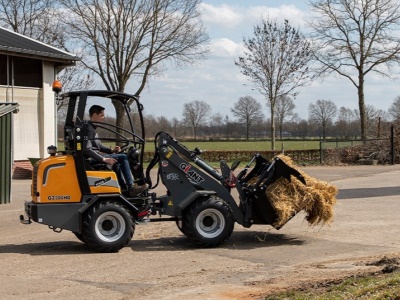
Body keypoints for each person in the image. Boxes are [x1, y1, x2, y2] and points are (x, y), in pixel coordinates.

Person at [84, 105, 148, 197]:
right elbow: (87, 149)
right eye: (102, 115)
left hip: (95, 157)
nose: (103, 117)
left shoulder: (92, 129)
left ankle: (122, 187)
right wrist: (103, 159)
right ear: (94, 115)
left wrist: (111, 150)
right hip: (93, 159)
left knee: (117, 162)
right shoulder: (89, 129)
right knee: (123, 157)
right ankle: (131, 187)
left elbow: (98, 146)